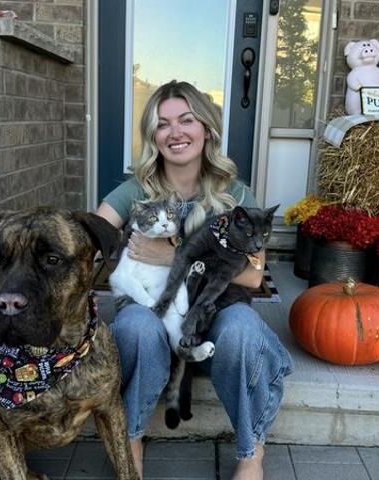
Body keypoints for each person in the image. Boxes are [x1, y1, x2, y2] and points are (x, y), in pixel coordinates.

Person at [96, 80, 293, 480]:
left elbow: (253, 275)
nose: (175, 132)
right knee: (134, 327)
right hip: (153, 314)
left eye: (186, 120)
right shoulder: (137, 190)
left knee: (242, 329)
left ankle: (250, 453)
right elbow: (87, 241)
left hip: (214, 311)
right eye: (163, 124)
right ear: (153, 135)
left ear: (206, 128)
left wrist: (174, 257)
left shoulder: (235, 194)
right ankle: (130, 442)